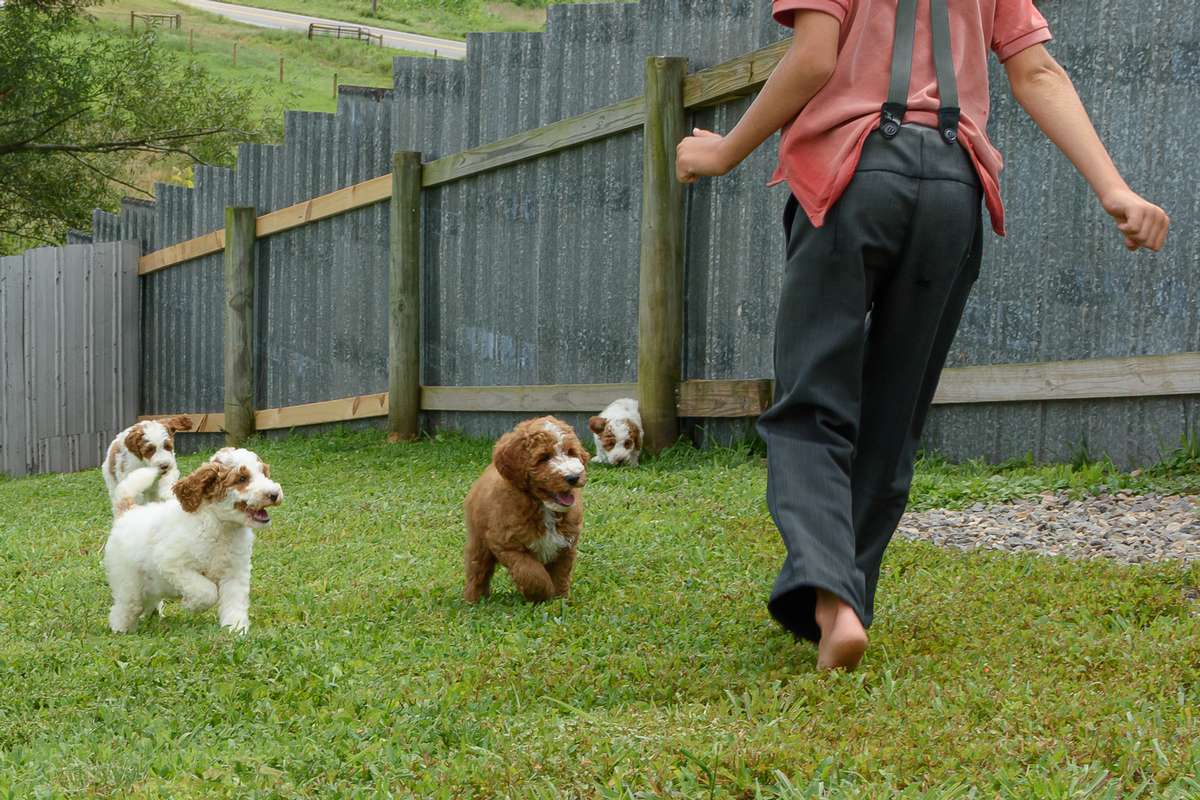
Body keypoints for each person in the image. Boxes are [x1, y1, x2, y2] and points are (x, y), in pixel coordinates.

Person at [675, 0, 1169, 671]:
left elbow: (816, 57)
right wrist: (1114, 188)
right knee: (894, 413)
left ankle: (833, 598)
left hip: (853, 178)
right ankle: (842, 601)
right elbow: (1039, 72)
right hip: (953, 189)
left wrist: (725, 150)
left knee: (810, 407)